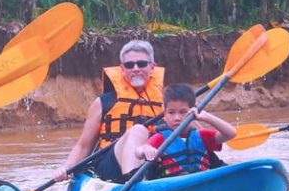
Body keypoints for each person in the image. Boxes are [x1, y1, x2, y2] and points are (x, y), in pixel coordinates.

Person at [54, 39, 165, 182]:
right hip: (110, 164)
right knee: (138, 130)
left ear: (152, 67)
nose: (135, 68)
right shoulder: (103, 102)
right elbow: (84, 145)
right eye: (129, 65)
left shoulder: (165, 103)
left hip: (152, 158)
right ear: (122, 69)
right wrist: (66, 168)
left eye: (142, 64)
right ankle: (134, 182)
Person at [135, 83, 236, 179]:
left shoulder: (202, 136)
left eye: (183, 112)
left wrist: (206, 117)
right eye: (171, 112)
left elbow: (231, 133)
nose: (177, 118)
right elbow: (138, 153)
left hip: (201, 183)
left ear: (193, 111)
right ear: (164, 114)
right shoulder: (159, 138)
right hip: (172, 187)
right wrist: (145, 149)